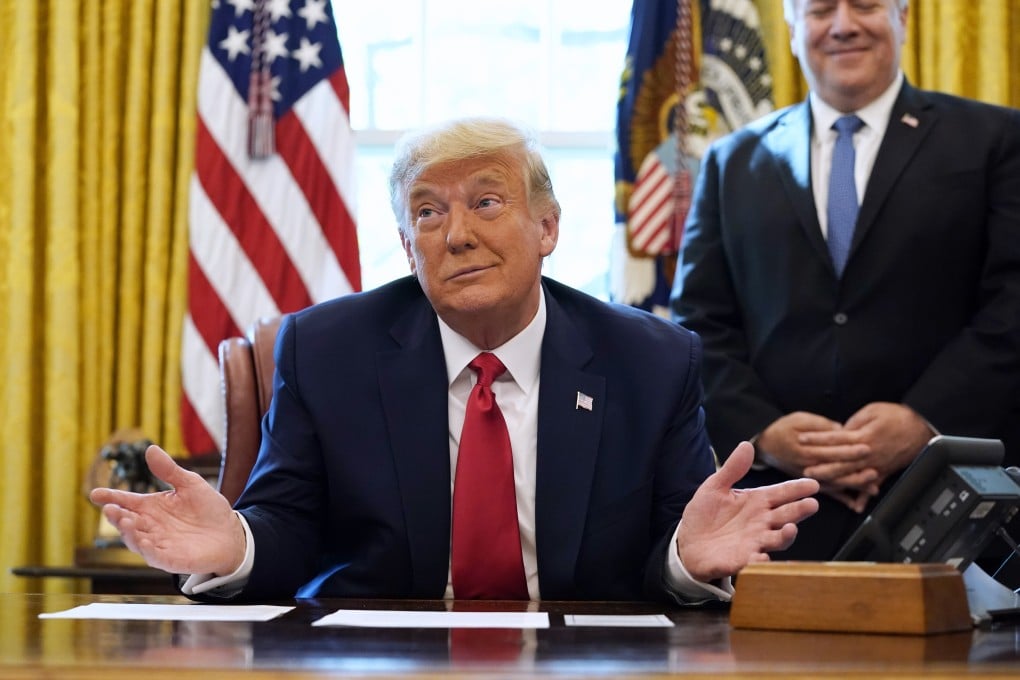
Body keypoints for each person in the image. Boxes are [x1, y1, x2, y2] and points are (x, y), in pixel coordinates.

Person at [91, 117, 819, 603]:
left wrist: (687, 562)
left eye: (488, 201)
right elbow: (289, 525)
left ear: (547, 227)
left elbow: (676, 537)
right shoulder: (325, 351)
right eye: (429, 212)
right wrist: (236, 547)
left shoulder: (650, 360)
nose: (458, 235)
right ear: (408, 250)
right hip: (381, 661)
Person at [670, 0, 1020, 563]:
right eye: (820, 10)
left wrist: (924, 420)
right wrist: (764, 431)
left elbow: (1013, 305)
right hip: (779, 519)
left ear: (904, 18)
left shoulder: (995, 139)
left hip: (951, 508)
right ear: (790, 30)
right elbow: (697, 325)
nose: (843, 24)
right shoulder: (731, 162)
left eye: (865, 5)